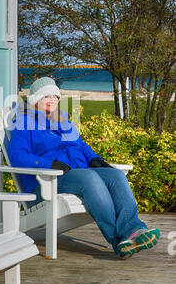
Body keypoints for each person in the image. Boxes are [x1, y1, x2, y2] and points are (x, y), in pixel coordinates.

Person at [8, 76, 160, 259]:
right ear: (35, 100)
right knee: (90, 179)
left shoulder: (63, 122)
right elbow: (17, 156)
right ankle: (119, 239)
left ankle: (134, 230)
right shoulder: (24, 124)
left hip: (75, 173)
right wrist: (49, 164)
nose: (52, 100)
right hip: (47, 181)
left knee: (116, 176)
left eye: (55, 96)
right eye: (46, 96)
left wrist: (96, 159)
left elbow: (81, 146)